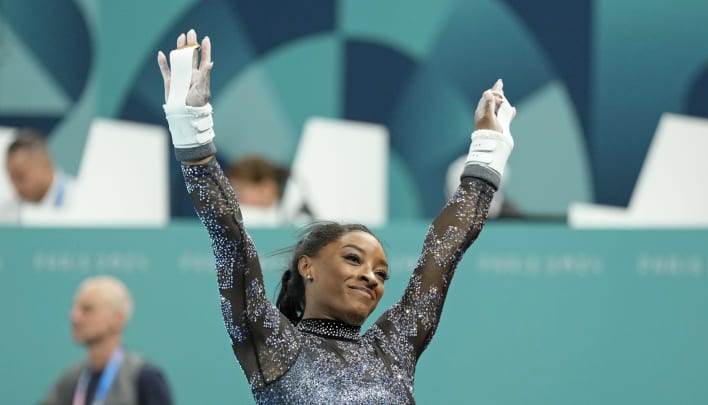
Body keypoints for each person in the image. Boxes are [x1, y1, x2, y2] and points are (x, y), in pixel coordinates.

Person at [157, 29, 516, 404]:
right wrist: (192, 130)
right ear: (307, 267)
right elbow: (229, 237)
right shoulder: (275, 346)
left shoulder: (392, 350)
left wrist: (487, 151)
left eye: (381, 273)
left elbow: (442, 255)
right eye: (353, 259)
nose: (371, 278)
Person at [41, 276, 173, 405]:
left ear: (118, 318)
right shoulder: (70, 381)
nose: (75, 317)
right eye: (74, 309)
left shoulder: (143, 378)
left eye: (87, 309)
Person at [2, 128, 76, 224]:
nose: (16, 187)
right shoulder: (7, 213)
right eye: (12, 179)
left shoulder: (83, 201)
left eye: (20, 177)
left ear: (45, 165)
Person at [225, 155, 310, 227]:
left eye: (241, 190)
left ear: (267, 188)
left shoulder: (299, 222)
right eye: (232, 191)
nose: (234, 197)